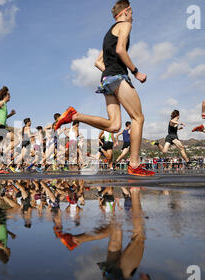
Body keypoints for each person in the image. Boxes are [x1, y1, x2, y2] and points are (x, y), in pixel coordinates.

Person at [53, 0, 154, 176]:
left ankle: (75, 115)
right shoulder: (125, 25)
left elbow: (98, 62)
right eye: (132, 13)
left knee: (114, 125)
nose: (132, 17)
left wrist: (109, 73)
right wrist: (136, 72)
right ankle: (135, 165)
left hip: (107, 78)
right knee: (138, 118)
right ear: (126, 11)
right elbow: (122, 50)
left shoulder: (108, 34)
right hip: (117, 76)